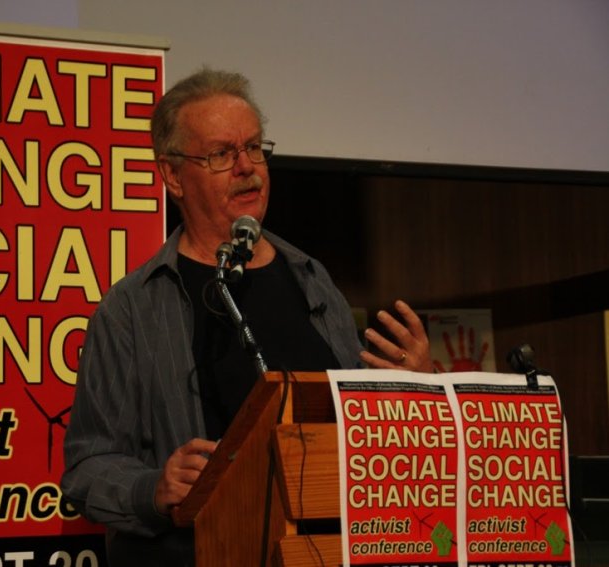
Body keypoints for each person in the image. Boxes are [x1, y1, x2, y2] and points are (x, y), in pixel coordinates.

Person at [61, 68, 433, 565]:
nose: (246, 167)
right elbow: (87, 468)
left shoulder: (311, 278)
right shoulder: (132, 308)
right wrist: (154, 488)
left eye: (254, 148)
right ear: (173, 175)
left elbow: (352, 427)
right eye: (221, 154)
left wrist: (415, 393)